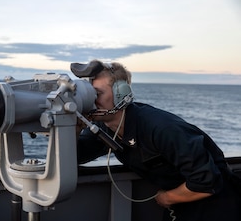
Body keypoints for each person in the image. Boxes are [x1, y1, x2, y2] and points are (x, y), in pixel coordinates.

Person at [76, 60, 241, 221]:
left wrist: (168, 198)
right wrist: (73, 128)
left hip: (215, 203)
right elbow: (77, 156)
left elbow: (207, 181)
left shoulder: (161, 128)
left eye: (97, 94)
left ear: (121, 95)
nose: (91, 101)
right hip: (183, 201)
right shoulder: (103, 128)